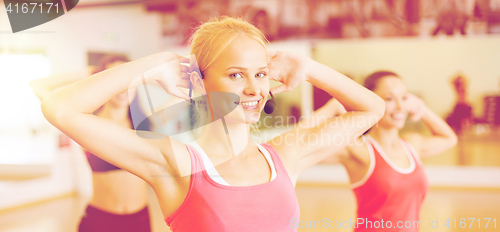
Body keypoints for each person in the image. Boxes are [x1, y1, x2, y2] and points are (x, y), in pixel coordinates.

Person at [39, 17, 385, 232]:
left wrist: (307, 67)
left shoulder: (283, 156)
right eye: (236, 75)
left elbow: (371, 108)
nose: (253, 89)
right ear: (200, 83)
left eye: (260, 74)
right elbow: (60, 109)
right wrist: (156, 63)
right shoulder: (175, 163)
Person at [303, 71, 457, 231]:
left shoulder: (412, 145)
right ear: (370, 102)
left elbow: (449, 139)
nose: (400, 107)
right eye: (389, 99)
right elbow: (300, 140)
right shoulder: (358, 150)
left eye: (404, 98)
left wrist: (422, 108)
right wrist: (332, 107)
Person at [30, 55, 152, 232]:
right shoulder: (86, 124)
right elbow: (38, 85)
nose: (124, 88)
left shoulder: (145, 124)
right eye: (116, 80)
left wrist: (143, 72)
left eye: (129, 80)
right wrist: (92, 73)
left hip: (140, 220)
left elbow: (190, 90)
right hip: (101, 221)